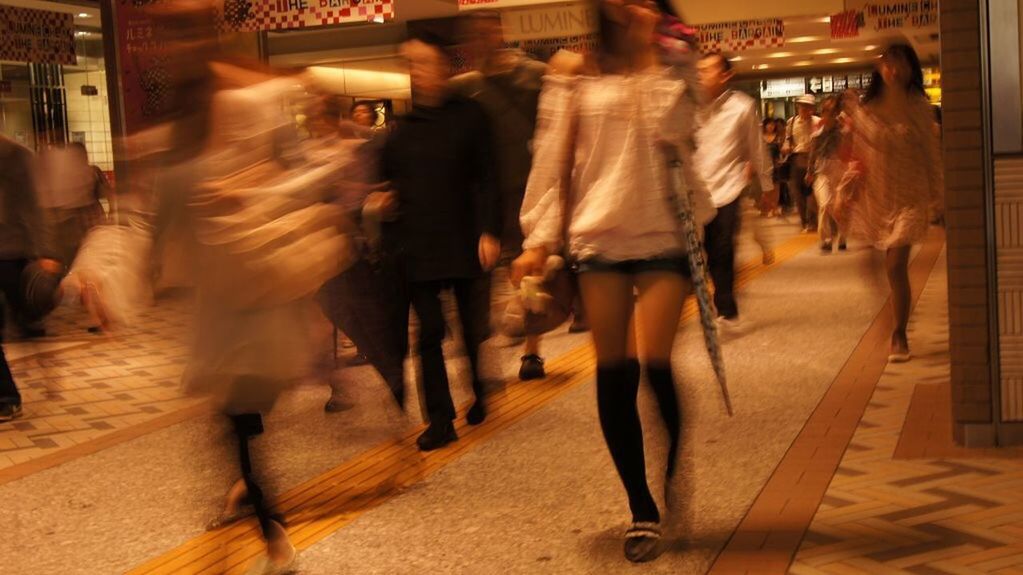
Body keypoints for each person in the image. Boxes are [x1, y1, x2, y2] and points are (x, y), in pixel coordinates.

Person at [514, 0, 713, 562]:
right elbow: (552, 159)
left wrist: (658, 57)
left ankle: (676, 475)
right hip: (597, 235)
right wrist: (539, 237)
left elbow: (679, 138)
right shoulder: (573, 72)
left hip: (662, 235)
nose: (633, 8)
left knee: (656, 362)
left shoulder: (673, 66)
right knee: (613, 370)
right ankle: (641, 508)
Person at [380, 37, 501, 452]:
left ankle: (479, 390)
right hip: (417, 245)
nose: (417, 71)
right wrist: (380, 201)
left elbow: (488, 177)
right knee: (429, 332)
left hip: (464, 238)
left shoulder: (471, 116)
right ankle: (440, 419)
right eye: (409, 64)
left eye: (424, 62)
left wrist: (490, 231)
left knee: (470, 328)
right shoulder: (400, 132)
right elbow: (385, 185)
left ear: (445, 66)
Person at [842, 43, 942, 363]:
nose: (893, 69)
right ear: (879, 69)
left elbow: (930, 153)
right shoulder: (869, 107)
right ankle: (893, 311)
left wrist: (939, 196)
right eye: (887, 63)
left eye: (899, 63)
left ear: (912, 68)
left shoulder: (918, 106)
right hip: (878, 196)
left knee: (895, 264)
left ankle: (899, 334)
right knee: (875, 265)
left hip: (910, 198)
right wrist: (846, 188)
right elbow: (859, 156)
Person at [693, 52, 774, 332]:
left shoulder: (742, 107)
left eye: (708, 69)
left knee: (723, 247)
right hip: (695, 190)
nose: (701, 74)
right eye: (699, 69)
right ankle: (713, 299)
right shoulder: (687, 107)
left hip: (728, 187)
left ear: (725, 75)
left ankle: (726, 309)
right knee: (702, 252)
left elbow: (756, 147)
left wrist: (767, 186)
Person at [0, 135, 60, 422]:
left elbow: (33, 207)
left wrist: (45, 252)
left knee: (28, 321)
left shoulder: (14, 155)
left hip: (12, 252)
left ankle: (43, 365)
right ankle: (7, 396)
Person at [806, 95, 848, 253]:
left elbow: (851, 147)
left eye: (831, 111)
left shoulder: (843, 130)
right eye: (825, 111)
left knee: (839, 206)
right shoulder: (818, 132)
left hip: (839, 170)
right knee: (824, 205)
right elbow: (812, 153)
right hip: (822, 171)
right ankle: (826, 239)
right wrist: (809, 172)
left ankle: (843, 235)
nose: (827, 114)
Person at [784, 94, 821, 232]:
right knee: (797, 193)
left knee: (812, 193)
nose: (804, 108)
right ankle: (805, 222)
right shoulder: (791, 122)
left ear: (812, 108)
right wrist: (786, 146)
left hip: (813, 159)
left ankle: (812, 222)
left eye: (807, 106)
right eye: (802, 105)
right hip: (796, 159)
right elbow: (787, 139)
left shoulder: (818, 122)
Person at [761, 118, 783, 217]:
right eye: (769, 124)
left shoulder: (777, 137)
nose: (771, 126)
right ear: (765, 125)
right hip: (764, 166)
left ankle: (775, 208)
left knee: (776, 187)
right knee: (766, 189)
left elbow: (781, 150)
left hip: (775, 165)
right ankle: (770, 208)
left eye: (773, 125)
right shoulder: (760, 137)